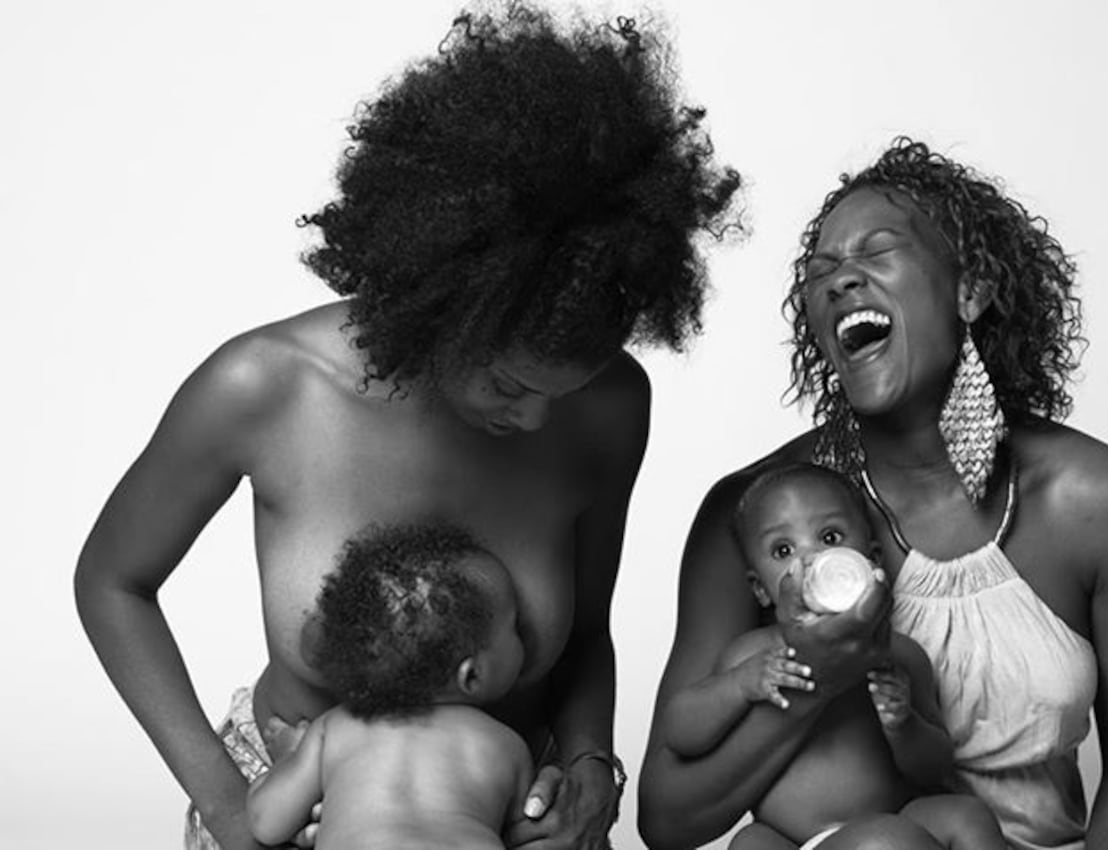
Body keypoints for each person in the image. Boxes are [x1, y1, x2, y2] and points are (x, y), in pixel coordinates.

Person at [73, 4, 740, 849]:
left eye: (562, 390)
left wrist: (588, 775)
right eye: (509, 383)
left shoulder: (607, 406)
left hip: (516, 819)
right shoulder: (266, 386)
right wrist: (228, 805)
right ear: (443, 307)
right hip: (297, 820)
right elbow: (113, 584)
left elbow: (585, 635)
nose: (538, 417)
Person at [638, 138, 1108, 850]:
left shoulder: (1096, 499)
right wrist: (822, 674)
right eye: (821, 272)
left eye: (877, 252)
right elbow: (668, 819)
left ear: (970, 290)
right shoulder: (754, 515)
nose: (840, 281)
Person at [662, 462, 1004, 850]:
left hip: (895, 821)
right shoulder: (751, 655)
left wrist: (904, 725)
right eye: (783, 550)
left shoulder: (900, 655)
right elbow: (681, 734)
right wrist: (739, 686)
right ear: (759, 589)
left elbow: (936, 768)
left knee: (968, 816)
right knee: (749, 843)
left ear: (871, 559)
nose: (811, 559)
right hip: (790, 840)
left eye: (829, 538)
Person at [246, 522, 532, 850]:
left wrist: (291, 759)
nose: (525, 637)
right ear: (471, 676)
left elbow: (266, 824)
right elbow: (527, 836)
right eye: (516, 628)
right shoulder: (507, 746)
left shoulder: (336, 729)